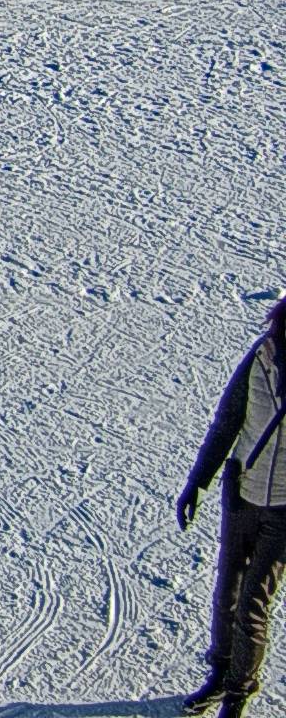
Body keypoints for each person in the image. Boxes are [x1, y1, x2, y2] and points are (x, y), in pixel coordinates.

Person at [178, 300, 286, 717]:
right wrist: (197, 482)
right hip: (242, 492)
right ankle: (221, 676)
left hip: (284, 510)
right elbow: (228, 421)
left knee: (253, 601)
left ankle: (239, 693)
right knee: (228, 592)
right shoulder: (261, 356)